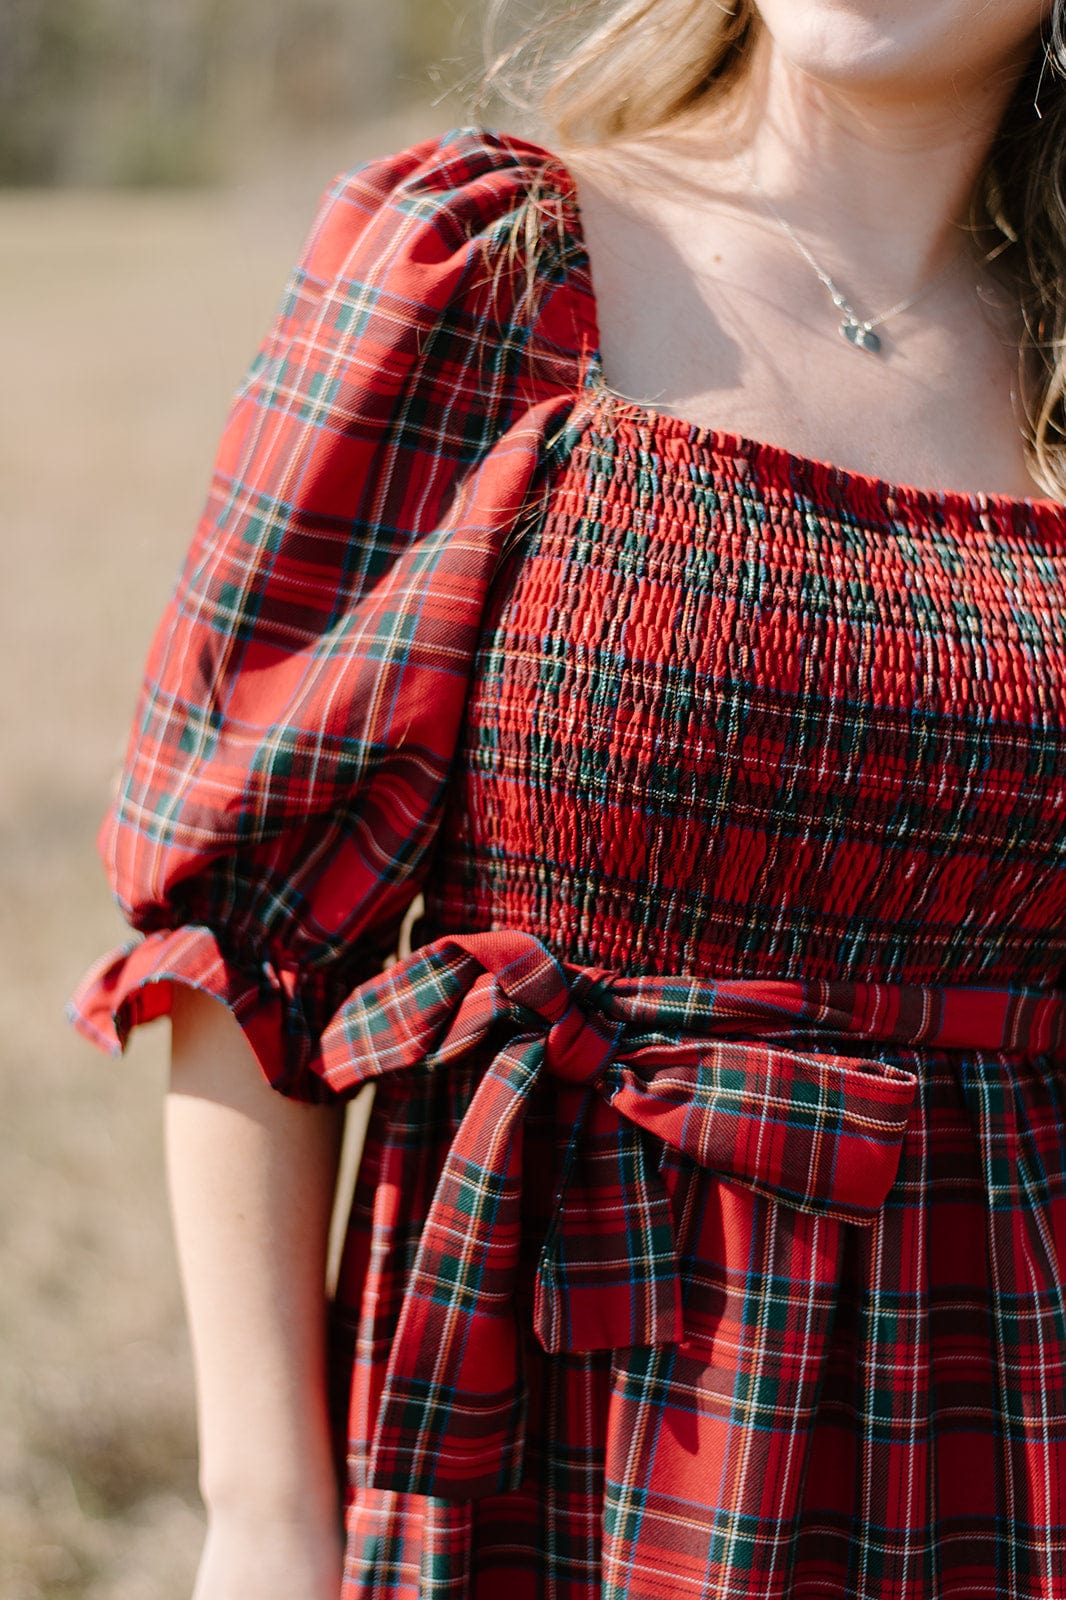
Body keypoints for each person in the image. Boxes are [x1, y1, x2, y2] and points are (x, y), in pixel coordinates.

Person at [69, 1, 1066, 1595]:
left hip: (1000, 1431)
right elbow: (248, 941)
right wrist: (263, 1522)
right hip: (537, 1415)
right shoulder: (483, 263)